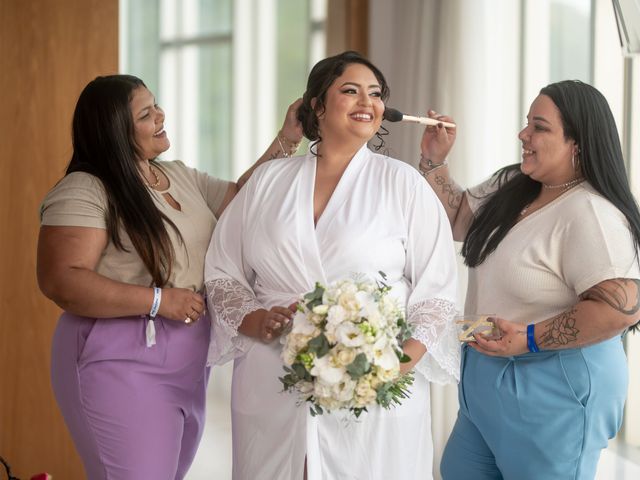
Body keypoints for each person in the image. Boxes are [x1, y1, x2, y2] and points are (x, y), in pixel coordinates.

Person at [204, 50, 460, 479]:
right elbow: (222, 272)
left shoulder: (403, 185)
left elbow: (437, 292)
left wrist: (392, 363)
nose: (368, 102)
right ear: (317, 106)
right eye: (350, 90)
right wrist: (256, 319)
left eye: (376, 94)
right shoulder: (268, 182)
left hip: (371, 383)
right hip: (274, 373)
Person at [36, 74, 303, 480]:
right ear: (115, 133)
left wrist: (289, 137)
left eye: (155, 105)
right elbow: (61, 280)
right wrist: (160, 300)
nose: (161, 115)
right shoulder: (86, 190)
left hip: (190, 354)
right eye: (146, 114)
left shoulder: (176, 175)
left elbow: (245, 202)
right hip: (121, 356)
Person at [417, 80, 640, 480]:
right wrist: (434, 161)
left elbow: (620, 309)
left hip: (552, 383)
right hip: (485, 373)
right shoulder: (513, 187)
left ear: (577, 142)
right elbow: (456, 219)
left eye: (539, 126)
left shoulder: (592, 214)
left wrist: (531, 338)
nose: (524, 134)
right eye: (526, 124)